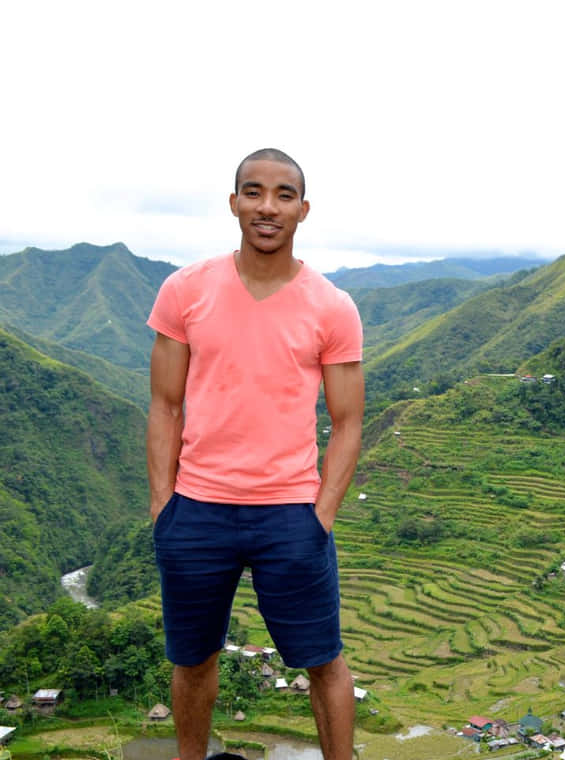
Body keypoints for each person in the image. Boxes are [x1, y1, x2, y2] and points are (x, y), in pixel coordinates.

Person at [146, 148, 364, 760]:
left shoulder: (331, 306)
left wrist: (320, 515)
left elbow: (348, 423)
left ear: (303, 209)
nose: (267, 206)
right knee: (192, 660)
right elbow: (165, 406)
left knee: (323, 661)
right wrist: (165, 506)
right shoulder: (185, 291)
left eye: (283, 194)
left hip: (290, 513)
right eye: (254, 191)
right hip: (196, 510)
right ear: (234, 202)